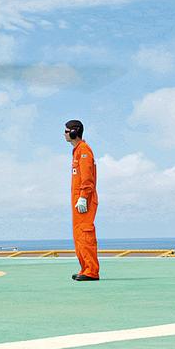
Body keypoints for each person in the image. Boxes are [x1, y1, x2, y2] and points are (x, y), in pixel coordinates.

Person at [66, 119, 99, 281]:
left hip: (83, 199)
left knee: (85, 234)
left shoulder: (84, 150)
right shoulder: (77, 151)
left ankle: (91, 271)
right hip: (78, 200)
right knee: (79, 235)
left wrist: (84, 197)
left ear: (74, 132)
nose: (64, 135)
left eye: (66, 131)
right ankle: (85, 268)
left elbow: (87, 178)